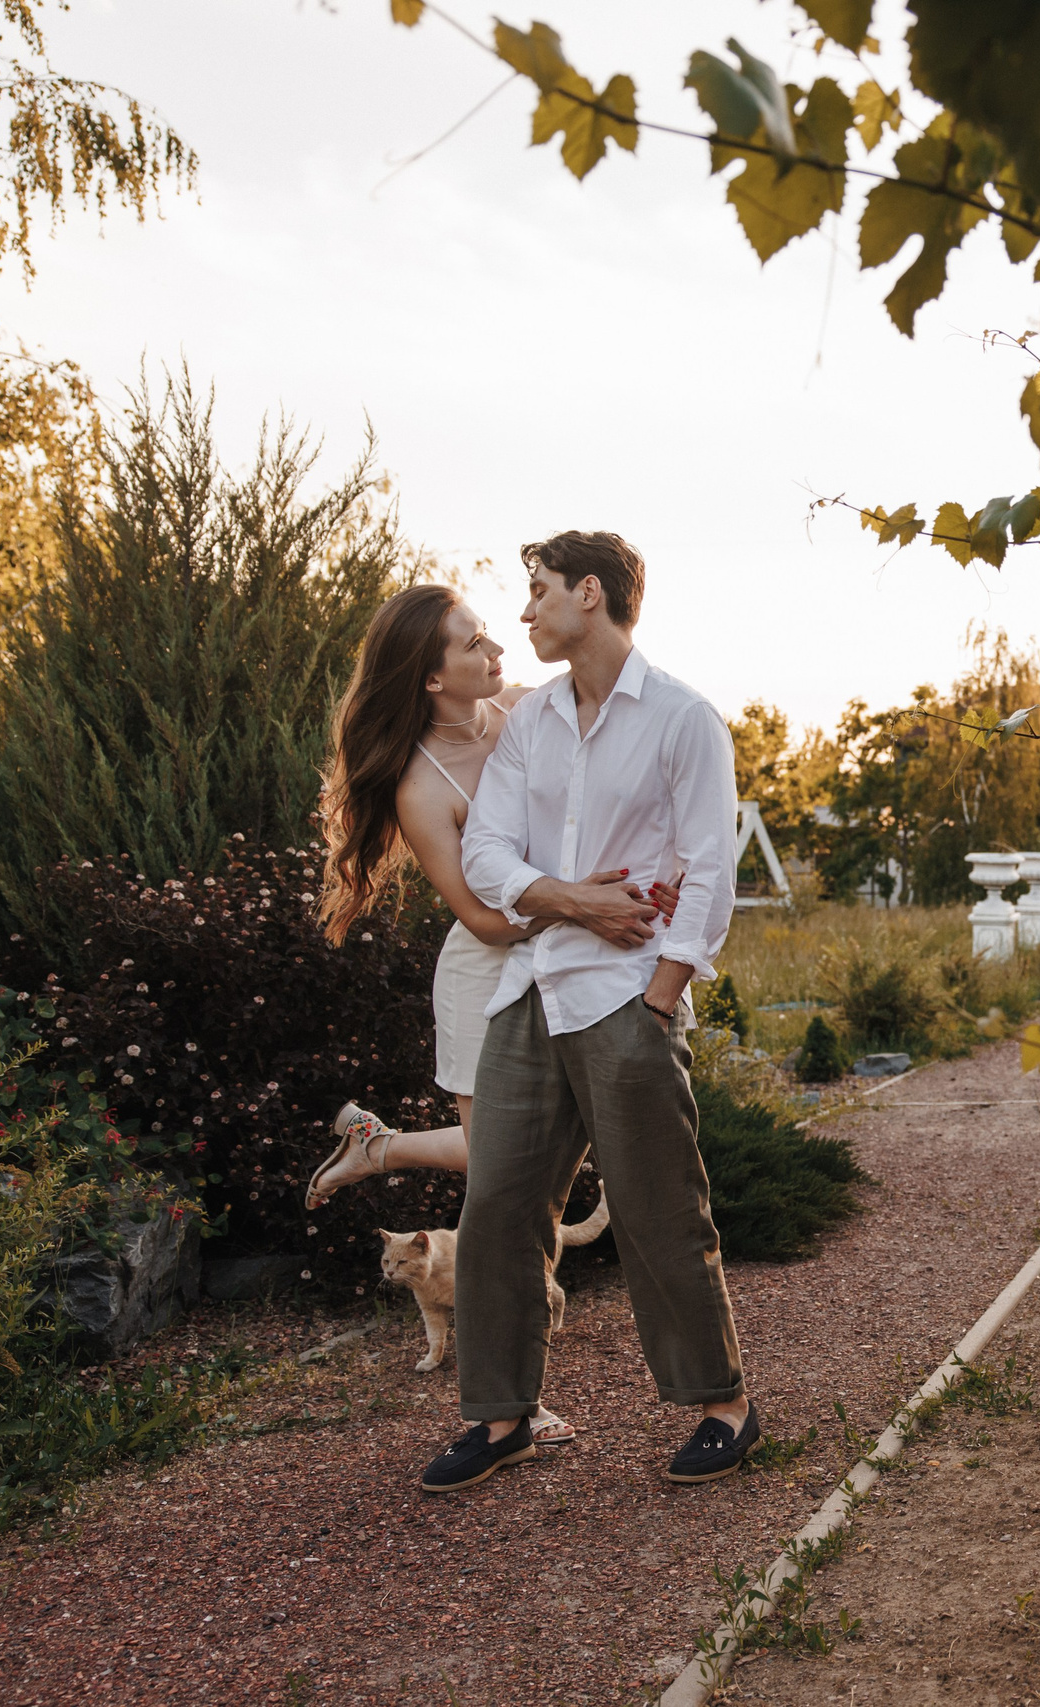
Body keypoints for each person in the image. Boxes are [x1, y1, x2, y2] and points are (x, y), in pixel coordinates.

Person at [415, 529, 752, 1496]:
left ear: (591, 594)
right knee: (497, 1206)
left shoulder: (684, 719)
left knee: (657, 1205)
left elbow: (710, 871)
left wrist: (662, 995)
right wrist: (570, 899)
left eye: (539, 590)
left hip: (626, 995)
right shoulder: (530, 723)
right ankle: (501, 1416)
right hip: (532, 989)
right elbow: (487, 853)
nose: (524, 613)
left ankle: (723, 1405)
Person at [306, 583, 674, 1447]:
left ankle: (380, 1148)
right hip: (487, 969)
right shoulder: (418, 785)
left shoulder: (526, 709)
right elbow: (481, 917)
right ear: (432, 679)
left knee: (521, 1170)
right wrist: (579, 902)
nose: (497, 649)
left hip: (570, 956)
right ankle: (512, 1401)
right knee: (503, 1180)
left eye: (486, 634)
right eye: (472, 644)